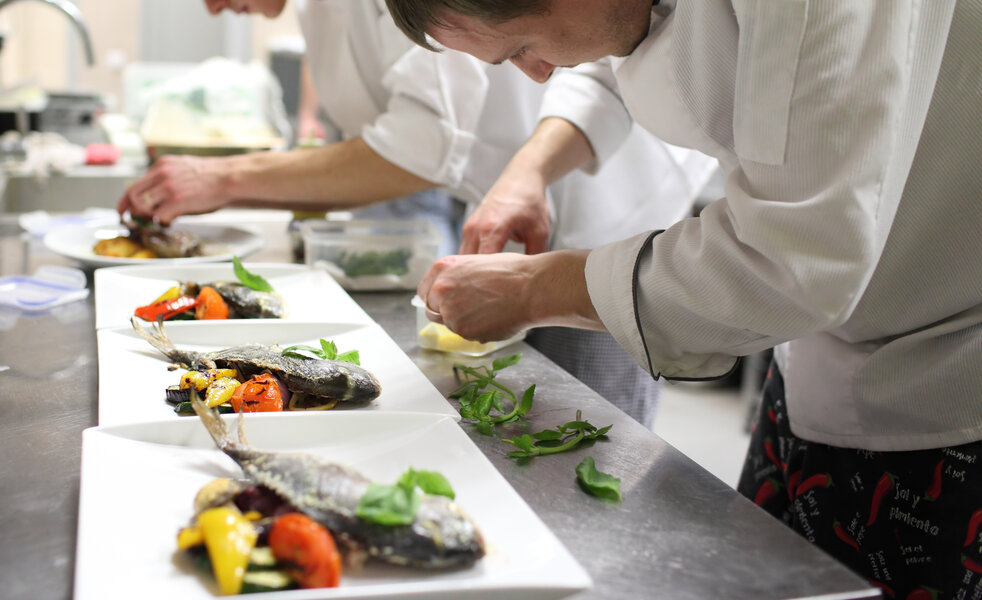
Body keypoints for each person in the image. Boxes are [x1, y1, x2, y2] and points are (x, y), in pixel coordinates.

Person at [387, 0, 982, 595]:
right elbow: (613, 51)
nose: (538, 74)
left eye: (520, 48)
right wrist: (530, 171)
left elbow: (787, 262)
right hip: (820, 346)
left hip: (945, 365)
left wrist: (533, 288)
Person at [118, 0, 718, 429]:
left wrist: (225, 178)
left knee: (586, 437)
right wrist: (522, 178)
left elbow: (424, 145)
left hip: (612, 216)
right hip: (512, 200)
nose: (212, 8)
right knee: (506, 424)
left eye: (519, 53)